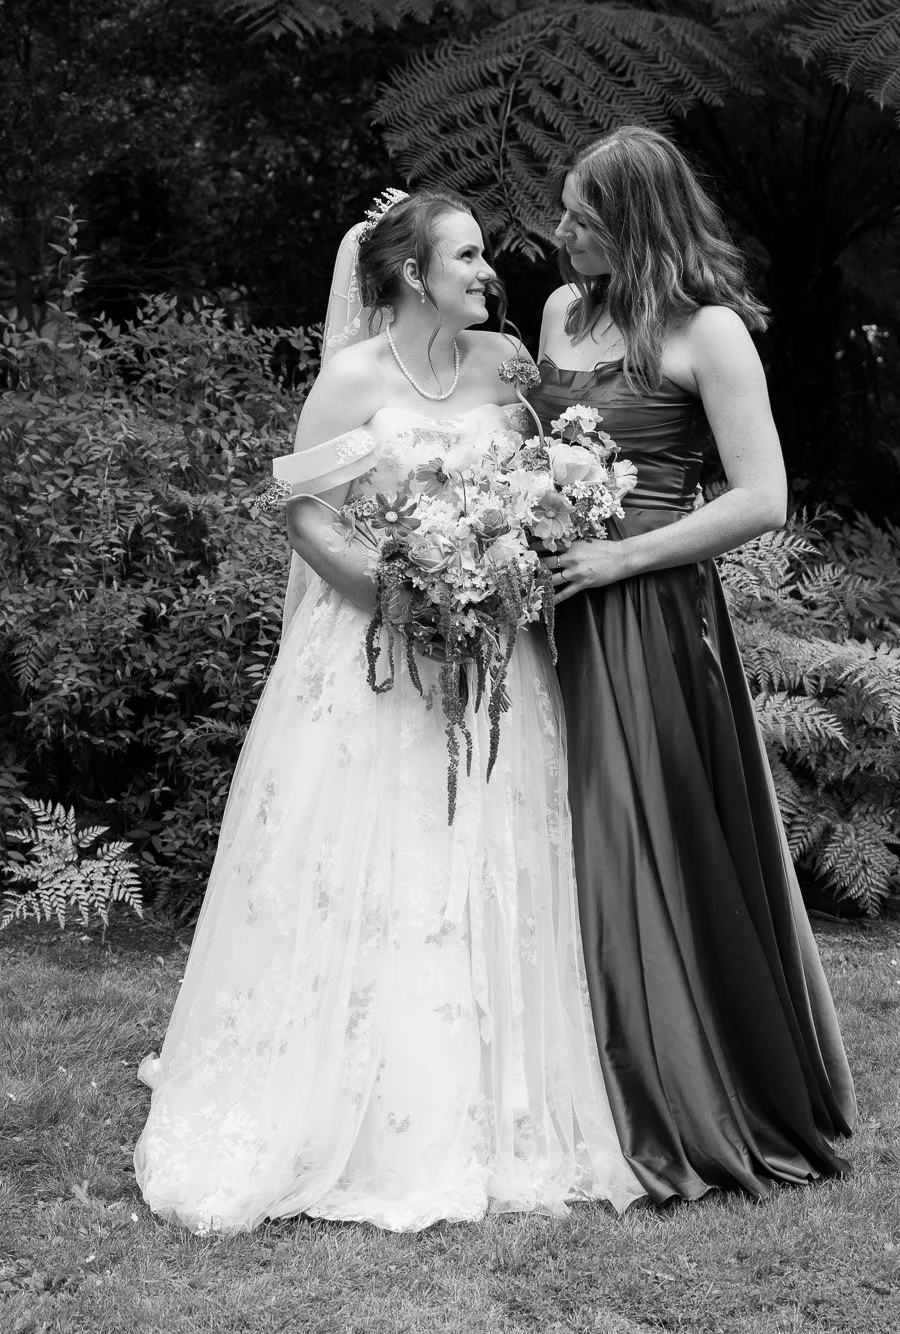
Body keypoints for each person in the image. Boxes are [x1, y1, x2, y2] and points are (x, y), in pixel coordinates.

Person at [134, 189, 641, 1234]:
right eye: (467, 256)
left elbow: (546, 485)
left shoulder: (507, 365)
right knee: (374, 862)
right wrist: (394, 593)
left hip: (494, 656)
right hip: (375, 652)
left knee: (487, 852)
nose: (488, 272)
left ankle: (499, 1101)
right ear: (413, 274)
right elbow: (303, 512)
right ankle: (345, 1097)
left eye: (483, 257)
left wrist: (520, 546)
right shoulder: (354, 378)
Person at [531, 126, 856, 1204]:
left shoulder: (706, 331)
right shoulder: (561, 312)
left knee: (643, 832)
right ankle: (554, 1071)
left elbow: (762, 497)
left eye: (581, 215)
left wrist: (621, 555)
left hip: (648, 613)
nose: (561, 231)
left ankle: (680, 1078)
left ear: (634, 222)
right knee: (548, 828)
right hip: (547, 605)